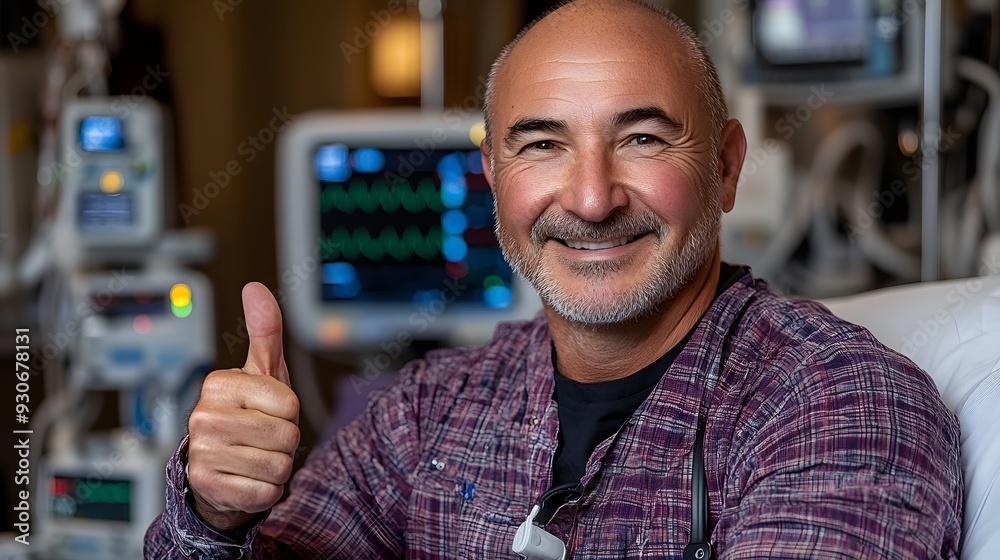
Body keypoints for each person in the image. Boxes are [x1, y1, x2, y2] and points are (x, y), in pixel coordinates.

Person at [144, 0, 963, 557]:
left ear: (723, 167)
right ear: (494, 180)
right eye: (542, 145)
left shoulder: (839, 404)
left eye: (642, 139)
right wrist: (217, 513)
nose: (592, 197)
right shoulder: (427, 414)